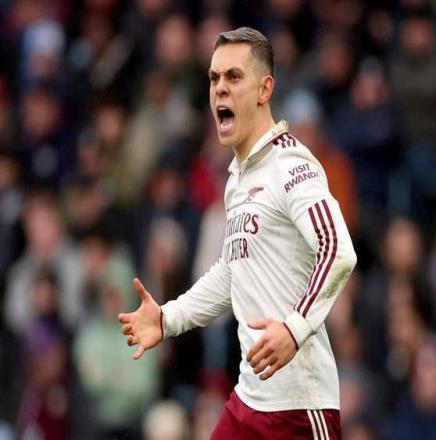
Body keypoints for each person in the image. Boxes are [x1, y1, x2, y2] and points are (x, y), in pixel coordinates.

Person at [118, 27, 357, 439]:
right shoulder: (237, 180)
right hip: (249, 398)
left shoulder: (291, 165)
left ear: (265, 89)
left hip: (299, 405)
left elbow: (337, 249)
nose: (220, 89)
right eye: (214, 78)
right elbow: (233, 271)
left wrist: (294, 329)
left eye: (233, 77)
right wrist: (168, 318)